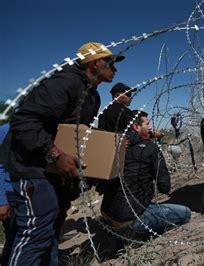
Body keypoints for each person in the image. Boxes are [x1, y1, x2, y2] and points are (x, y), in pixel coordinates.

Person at [2, 41, 125, 265]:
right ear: (95, 63)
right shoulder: (64, 83)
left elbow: (73, 133)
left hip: (55, 174)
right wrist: (55, 155)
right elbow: (23, 121)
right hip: (33, 169)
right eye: (110, 63)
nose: (114, 69)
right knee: (34, 234)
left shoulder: (92, 95)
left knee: (51, 229)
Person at [100, 111, 191, 240]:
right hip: (127, 222)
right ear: (136, 127)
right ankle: (127, 236)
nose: (150, 127)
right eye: (147, 124)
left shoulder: (116, 146)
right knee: (185, 213)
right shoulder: (150, 149)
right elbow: (165, 187)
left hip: (107, 214)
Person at [0, 123, 15, 266]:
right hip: (10, 193)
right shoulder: (6, 130)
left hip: (28, 194)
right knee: (13, 237)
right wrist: (2, 201)